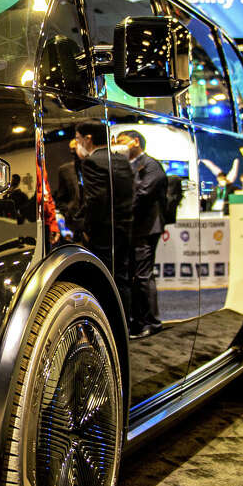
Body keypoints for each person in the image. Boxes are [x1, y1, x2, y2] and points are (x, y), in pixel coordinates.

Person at [73, 121, 134, 318]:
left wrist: (85, 227)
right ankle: (124, 326)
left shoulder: (92, 162)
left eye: (77, 138)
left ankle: (107, 325)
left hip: (103, 231)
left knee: (102, 280)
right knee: (122, 279)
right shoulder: (121, 160)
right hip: (125, 227)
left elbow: (96, 200)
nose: (77, 143)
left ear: (88, 138)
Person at [117, 130, 167, 338]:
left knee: (143, 276)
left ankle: (151, 322)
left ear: (135, 141)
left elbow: (142, 193)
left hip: (147, 229)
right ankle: (138, 320)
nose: (118, 146)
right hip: (133, 228)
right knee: (134, 276)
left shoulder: (151, 165)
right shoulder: (130, 166)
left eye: (121, 141)